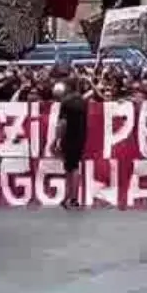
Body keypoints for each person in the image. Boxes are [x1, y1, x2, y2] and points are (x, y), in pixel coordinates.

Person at [52, 79, 87, 209]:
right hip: (81, 137)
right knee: (75, 167)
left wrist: (56, 140)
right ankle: (73, 197)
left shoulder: (66, 102)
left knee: (69, 168)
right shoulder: (82, 101)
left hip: (69, 137)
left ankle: (69, 197)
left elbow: (62, 123)